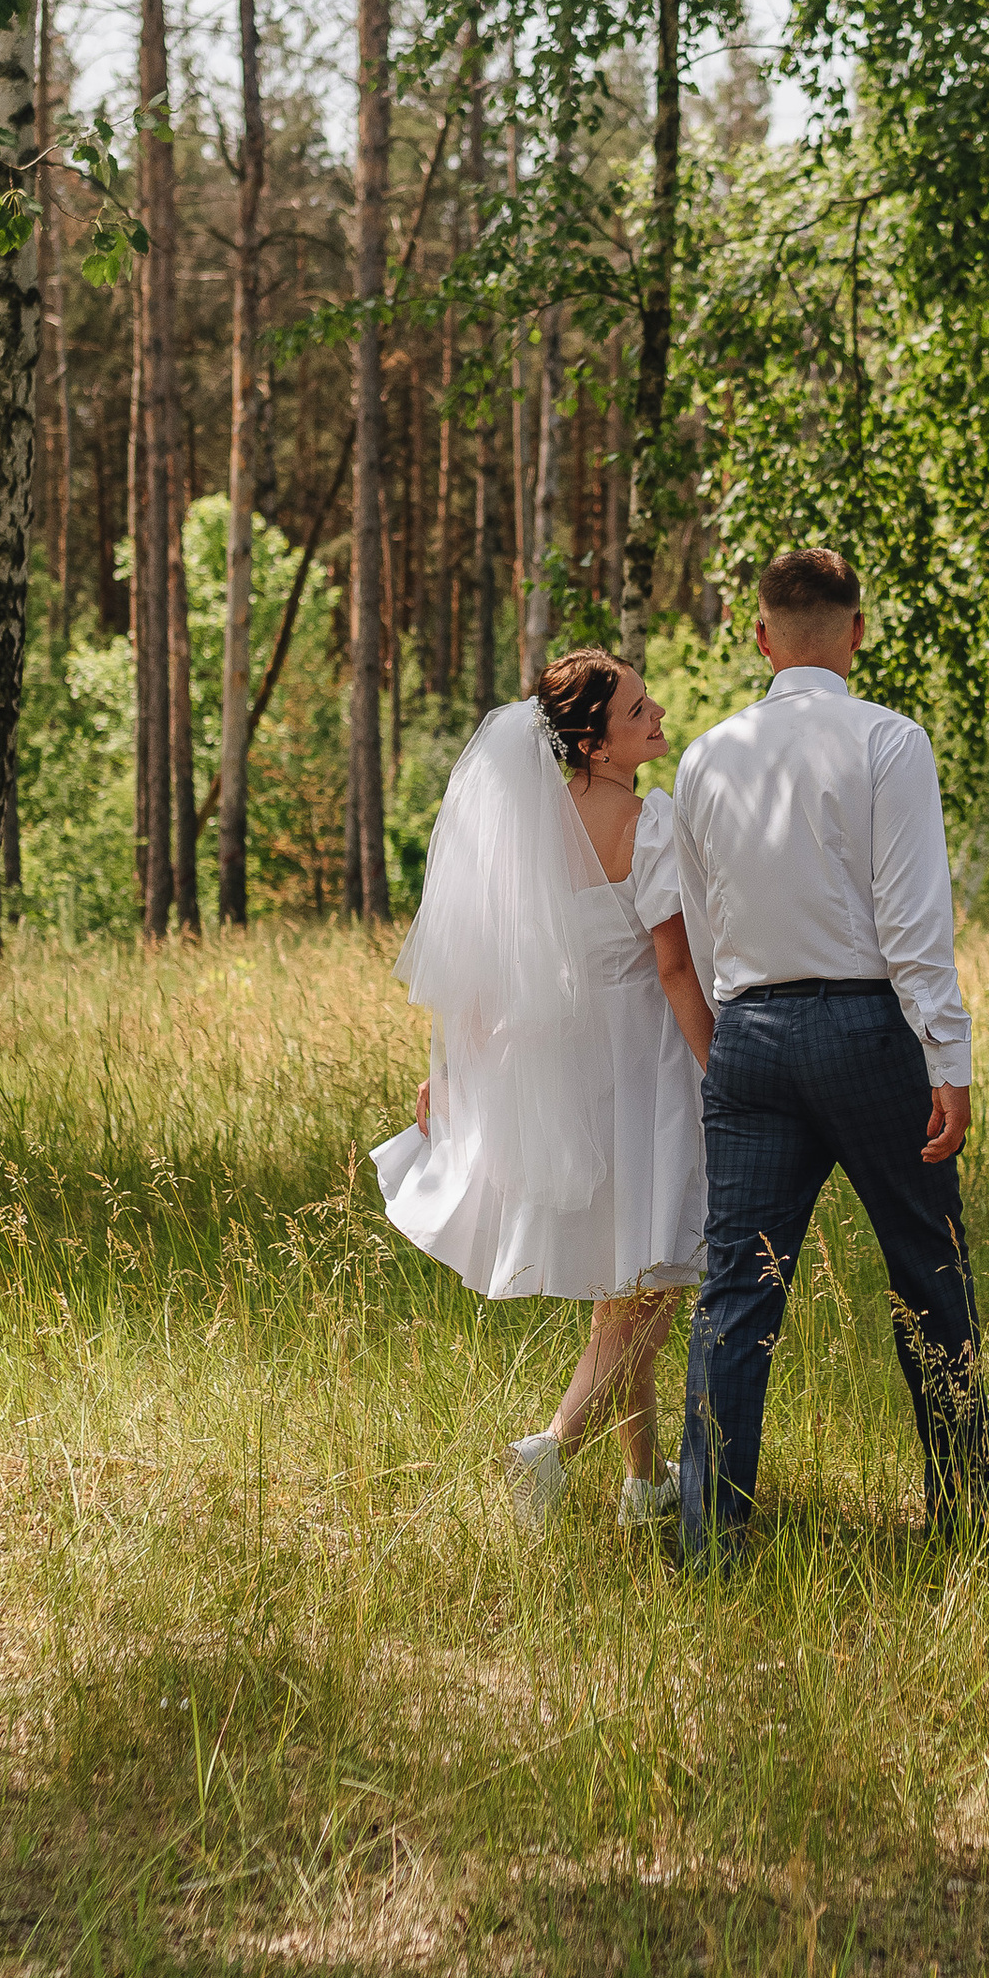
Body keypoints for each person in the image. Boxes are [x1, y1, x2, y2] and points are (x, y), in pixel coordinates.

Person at [670, 545, 989, 1560]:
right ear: (857, 631)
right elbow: (911, 921)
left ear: (759, 636)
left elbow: (700, 919)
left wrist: (737, 1042)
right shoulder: (889, 742)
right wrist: (949, 1055)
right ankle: (966, 1516)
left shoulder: (705, 754)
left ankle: (707, 1531)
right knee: (926, 1272)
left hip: (751, 1037)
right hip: (866, 1029)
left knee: (736, 1291)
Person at [371, 650, 714, 1535]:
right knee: (647, 1291)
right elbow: (676, 968)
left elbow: (488, 973)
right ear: (597, 741)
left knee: (625, 1286)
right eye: (639, 709)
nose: (657, 712)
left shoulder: (530, 830)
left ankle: (643, 1490)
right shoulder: (647, 823)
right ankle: (552, 1447)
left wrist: (453, 1075)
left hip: (570, 1069)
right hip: (647, 1067)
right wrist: (723, 1069)